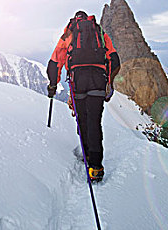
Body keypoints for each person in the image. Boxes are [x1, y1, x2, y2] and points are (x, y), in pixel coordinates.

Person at [47, 10, 120, 181]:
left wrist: (52, 85)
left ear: (74, 19)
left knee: (83, 119)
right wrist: (109, 82)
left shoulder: (69, 32)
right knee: (94, 121)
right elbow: (114, 59)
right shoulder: (99, 31)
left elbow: (55, 61)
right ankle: (96, 167)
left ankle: (87, 156)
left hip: (78, 80)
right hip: (98, 79)